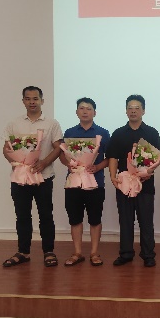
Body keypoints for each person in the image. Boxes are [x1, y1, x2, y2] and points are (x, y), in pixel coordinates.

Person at [2, 86, 63, 268]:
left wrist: (44, 162)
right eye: (28, 99)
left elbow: (58, 147)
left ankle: (48, 251)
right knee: (22, 215)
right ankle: (23, 252)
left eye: (35, 99)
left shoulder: (52, 123)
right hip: (20, 178)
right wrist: (16, 162)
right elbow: (6, 149)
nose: (32, 102)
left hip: (43, 177)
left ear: (42, 101)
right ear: (23, 101)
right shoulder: (14, 124)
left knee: (46, 215)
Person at [107, 95, 160, 267]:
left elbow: (157, 158)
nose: (133, 111)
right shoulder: (118, 133)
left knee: (146, 221)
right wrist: (112, 176)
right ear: (126, 111)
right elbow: (113, 157)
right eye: (130, 108)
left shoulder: (151, 133)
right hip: (124, 183)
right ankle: (126, 253)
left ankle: (148, 255)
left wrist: (149, 172)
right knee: (125, 220)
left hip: (145, 184)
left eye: (137, 108)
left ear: (143, 111)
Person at [59, 98, 110, 267]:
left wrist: (97, 167)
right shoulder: (70, 132)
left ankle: (94, 252)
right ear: (76, 112)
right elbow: (62, 155)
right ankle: (77, 252)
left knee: (95, 219)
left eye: (89, 108)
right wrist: (68, 164)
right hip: (74, 182)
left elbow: (110, 158)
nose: (85, 111)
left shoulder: (103, 133)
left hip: (95, 182)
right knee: (75, 219)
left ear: (95, 112)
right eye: (81, 108)